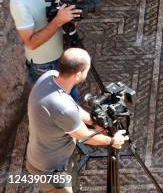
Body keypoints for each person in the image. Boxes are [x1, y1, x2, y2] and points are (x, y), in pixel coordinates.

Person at [26, 48, 128, 192]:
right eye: (87, 69)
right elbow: (85, 137)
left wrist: (94, 122)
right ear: (78, 74)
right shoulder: (62, 107)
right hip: (50, 170)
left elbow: (72, 107)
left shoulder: (50, 76)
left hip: (49, 156)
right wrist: (112, 141)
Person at [9, 0, 81, 100]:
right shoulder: (20, 1)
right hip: (44, 67)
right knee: (59, 105)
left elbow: (54, 9)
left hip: (61, 53)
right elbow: (31, 43)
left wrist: (68, 19)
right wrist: (58, 21)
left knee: (72, 98)